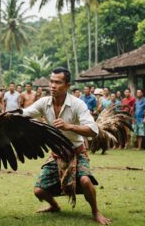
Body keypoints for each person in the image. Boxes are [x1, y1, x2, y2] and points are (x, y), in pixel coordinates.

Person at [25, 68, 110, 225]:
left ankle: (95, 211)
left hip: (77, 151)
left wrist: (69, 126)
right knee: (38, 191)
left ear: (67, 85)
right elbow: (22, 114)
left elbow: (93, 130)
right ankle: (54, 206)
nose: (52, 85)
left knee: (85, 180)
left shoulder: (77, 104)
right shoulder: (44, 102)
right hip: (56, 153)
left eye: (57, 82)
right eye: (51, 81)